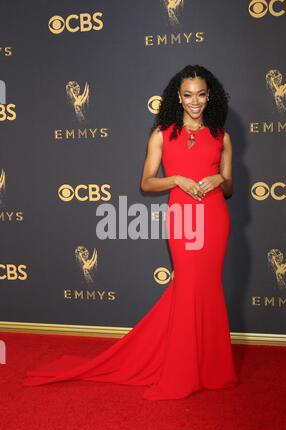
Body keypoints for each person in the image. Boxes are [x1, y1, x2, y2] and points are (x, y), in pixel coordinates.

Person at [24, 65, 237, 400]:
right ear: (177, 98)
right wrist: (177, 179)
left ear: (210, 96)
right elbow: (146, 182)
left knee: (208, 288)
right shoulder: (162, 134)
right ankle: (182, 372)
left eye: (201, 94)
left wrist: (219, 180)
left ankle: (212, 370)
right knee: (188, 286)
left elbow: (229, 187)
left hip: (214, 218)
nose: (194, 101)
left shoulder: (222, 136)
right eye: (187, 95)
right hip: (183, 218)